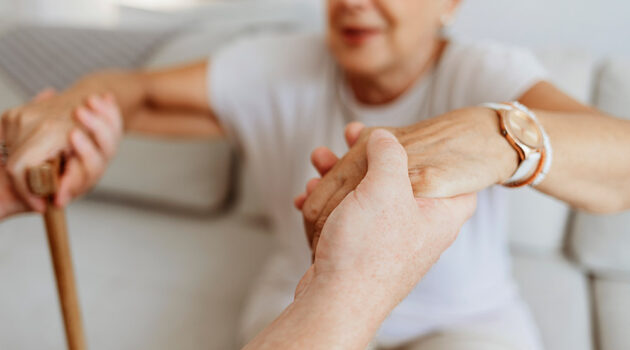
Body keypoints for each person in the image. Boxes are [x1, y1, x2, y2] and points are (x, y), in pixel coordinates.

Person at [2, 0, 630, 349]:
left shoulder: (487, 69)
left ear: (449, 3)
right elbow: (133, 93)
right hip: (299, 295)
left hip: (466, 322)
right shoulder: (274, 65)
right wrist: (64, 112)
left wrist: (494, 133)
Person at [244, 129, 476, 349]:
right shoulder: (278, 91)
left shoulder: (480, 88)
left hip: (468, 317)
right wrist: (348, 280)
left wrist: (500, 122)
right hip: (296, 294)